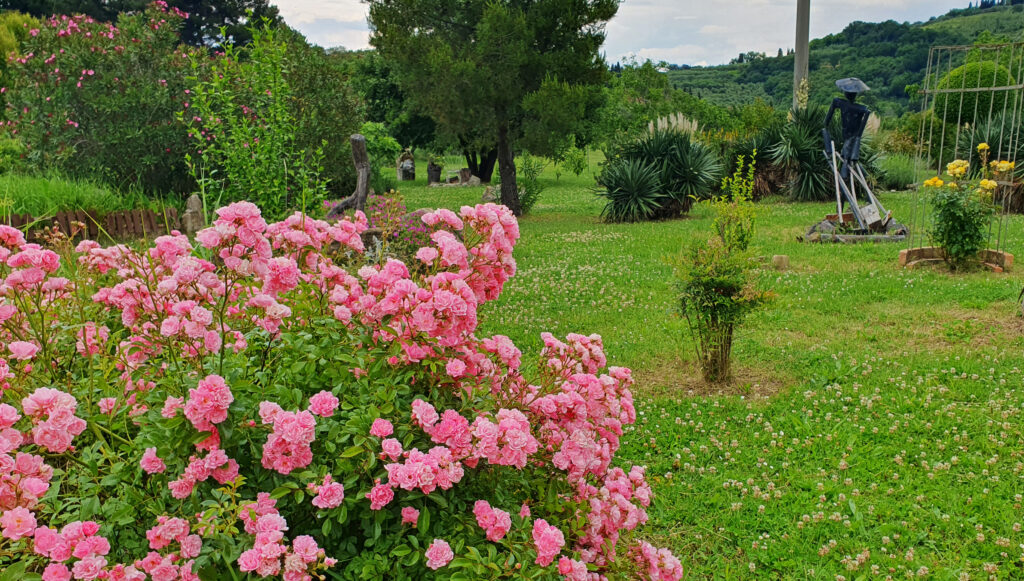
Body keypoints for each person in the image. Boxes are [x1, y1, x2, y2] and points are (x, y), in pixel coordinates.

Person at [823, 78, 871, 181]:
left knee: (848, 158)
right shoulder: (862, 109)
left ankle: (863, 179)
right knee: (848, 157)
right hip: (851, 137)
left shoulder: (839, 103)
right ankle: (865, 179)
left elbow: (826, 123)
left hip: (850, 138)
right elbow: (859, 133)